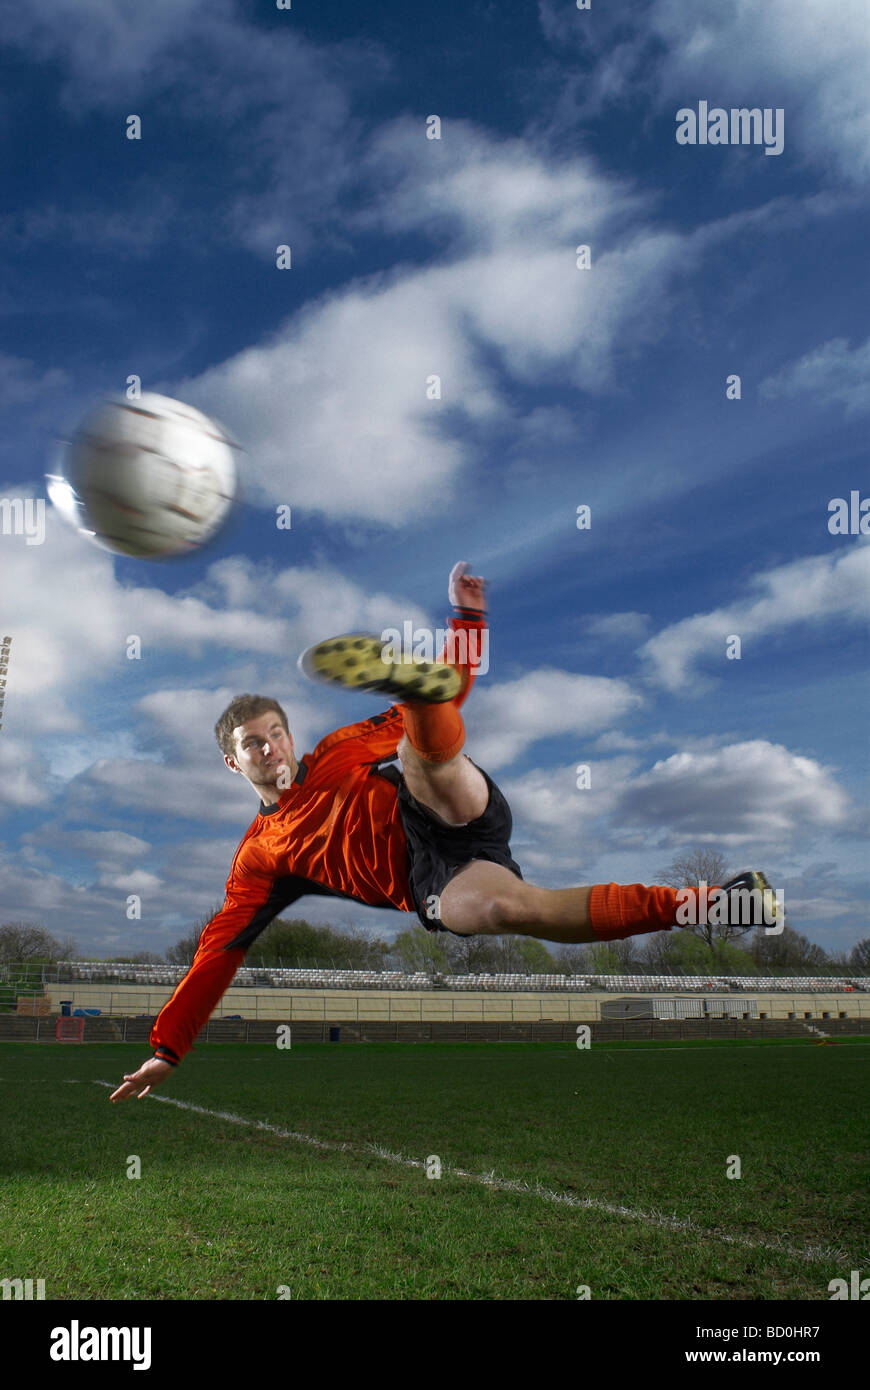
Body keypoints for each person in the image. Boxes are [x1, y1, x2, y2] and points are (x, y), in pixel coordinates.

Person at [110, 562, 775, 1102]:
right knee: (510, 909)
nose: (270, 748)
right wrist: (168, 1048)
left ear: (290, 733)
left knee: (421, 754)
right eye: (252, 744)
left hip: (442, 805)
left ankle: (417, 699)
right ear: (234, 761)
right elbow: (216, 954)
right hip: (434, 877)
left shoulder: (340, 748)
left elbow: (459, 689)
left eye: (277, 732)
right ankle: (720, 902)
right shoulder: (259, 859)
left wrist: (468, 622)